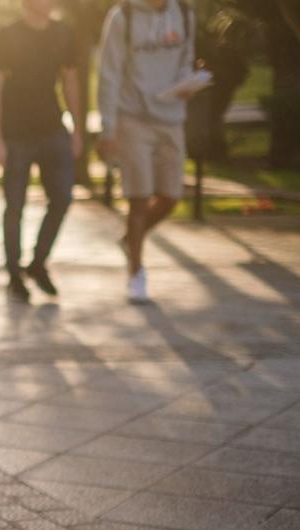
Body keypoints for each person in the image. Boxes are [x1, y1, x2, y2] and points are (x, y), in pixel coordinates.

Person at [0, 0, 86, 303]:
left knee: (63, 198)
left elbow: (70, 82)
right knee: (14, 205)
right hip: (16, 135)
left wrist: (77, 130)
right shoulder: (7, 36)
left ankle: (38, 262)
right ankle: (14, 273)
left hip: (53, 130)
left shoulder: (63, 34)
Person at [97, 0, 196, 303]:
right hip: (133, 117)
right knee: (138, 199)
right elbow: (109, 74)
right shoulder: (122, 17)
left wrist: (187, 85)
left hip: (171, 116)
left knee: (170, 196)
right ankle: (136, 275)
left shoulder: (183, 12)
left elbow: (186, 59)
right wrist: (108, 127)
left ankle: (131, 240)